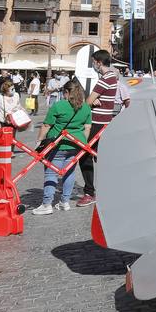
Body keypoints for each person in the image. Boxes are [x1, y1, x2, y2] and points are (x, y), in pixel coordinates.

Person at [33, 80, 92, 215]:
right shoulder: (86, 107)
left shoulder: (59, 106)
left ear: (66, 92)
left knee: (51, 172)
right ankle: (65, 202)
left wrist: (39, 141)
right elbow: (87, 128)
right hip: (76, 144)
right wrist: (82, 142)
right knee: (69, 173)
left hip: (58, 144)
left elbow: (46, 125)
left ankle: (47, 204)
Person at [77, 49, 119, 207]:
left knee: (84, 154)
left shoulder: (105, 79)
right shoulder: (111, 77)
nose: (93, 64)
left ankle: (89, 192)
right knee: (101, 156)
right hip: (105, 121)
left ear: (99, 62)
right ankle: (109, 189)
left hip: (97, 122)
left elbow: (88, 101)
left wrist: (91, 100)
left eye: (94, 62)